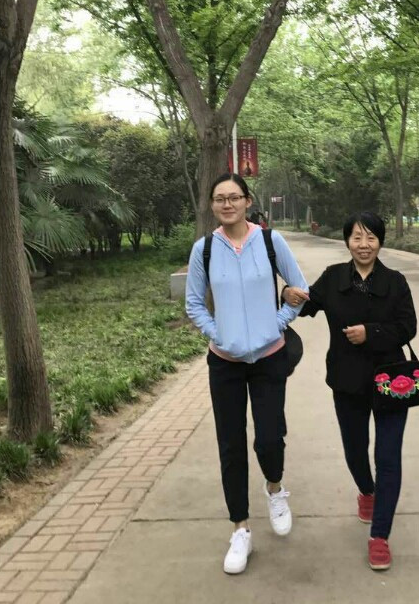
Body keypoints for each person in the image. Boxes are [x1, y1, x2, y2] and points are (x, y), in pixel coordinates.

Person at [185, 173, 308, 575]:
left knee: (269, 437)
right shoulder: (204, 249)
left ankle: (275, 487)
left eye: (234, 197)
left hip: (269, 358)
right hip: (225, 364)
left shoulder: (270, 241)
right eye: (219, 198)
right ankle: (240, 528)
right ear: (212, 205)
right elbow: (194, 303)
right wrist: (218, 333)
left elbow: (300, 289)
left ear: (247, 201)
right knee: (231, 444)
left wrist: (277, 323)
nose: (227, 204)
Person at [282, 212, 417, 571]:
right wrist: (285, 292)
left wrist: (371, 333)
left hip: (391, 382)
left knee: (388, 456)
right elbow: (306, 304)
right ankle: (367, 491)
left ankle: (380, 535)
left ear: (380, 241)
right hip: (347, 381)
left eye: (371, 237)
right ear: (347, 242)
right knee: (355, 450)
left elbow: (408, 327)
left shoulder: (395, 281)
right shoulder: (333, 278)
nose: (364, 245)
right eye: (357, 237)